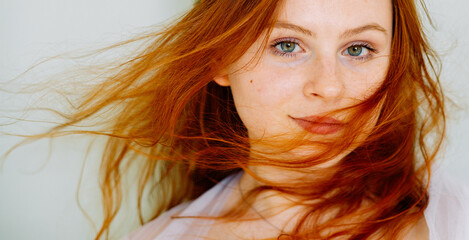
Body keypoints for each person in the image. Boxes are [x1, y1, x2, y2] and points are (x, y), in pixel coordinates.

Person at [7, 0, 469, 239]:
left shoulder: (450, 215)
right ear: (221, 59)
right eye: (287, 45)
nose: (329, 87)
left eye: (358, 49)